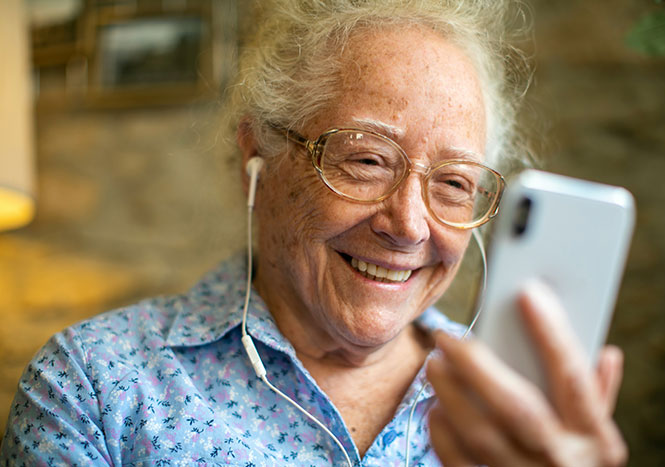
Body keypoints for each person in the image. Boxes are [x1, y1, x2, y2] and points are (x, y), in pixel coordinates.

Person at [0, 0, 627, 465]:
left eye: (454, 184)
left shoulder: (514, 409)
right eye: (365, 159)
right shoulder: (93, 386)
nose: (409, 225)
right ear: (259, 155)